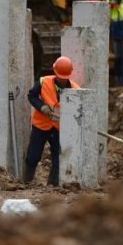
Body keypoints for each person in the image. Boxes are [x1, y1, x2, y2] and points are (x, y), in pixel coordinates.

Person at [25, 56, 79, 186]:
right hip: (41, 126)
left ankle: (53, 185)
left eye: (64, 77)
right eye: (60, 76)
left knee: (58, 158)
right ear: (55, 72)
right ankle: (27, 182)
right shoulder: (44, 82)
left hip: (59, 128)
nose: (62, 79)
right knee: (33, 156)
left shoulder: (76, 90)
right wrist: (41, 106)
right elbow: (31, 96)